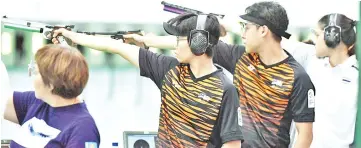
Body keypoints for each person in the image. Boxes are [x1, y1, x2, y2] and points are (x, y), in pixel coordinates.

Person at [123, 1, 315, 148]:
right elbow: (195, 43)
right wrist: (147, 40)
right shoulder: (241, 58)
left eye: (246, 27)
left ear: (263, 30)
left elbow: (305, 135)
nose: (243, 33)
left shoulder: (298, 77)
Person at [52, 13, 243, 148]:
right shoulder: (169, 70)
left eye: (179, 39)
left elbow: (232, 143)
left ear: (198, 42)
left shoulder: (225, 89)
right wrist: (72, 36)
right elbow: (117, 47)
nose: (174, 44)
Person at [282, 13, 358, 148]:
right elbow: (275, 44)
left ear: (332, 36)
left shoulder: (356, 78)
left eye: (317, 35)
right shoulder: (312, 61)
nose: (314, 39)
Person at [3, 44, 100, 148]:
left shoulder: (83, 128)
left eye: (36, 72)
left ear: (51, 84)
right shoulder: (36, 102)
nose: (33, 78)